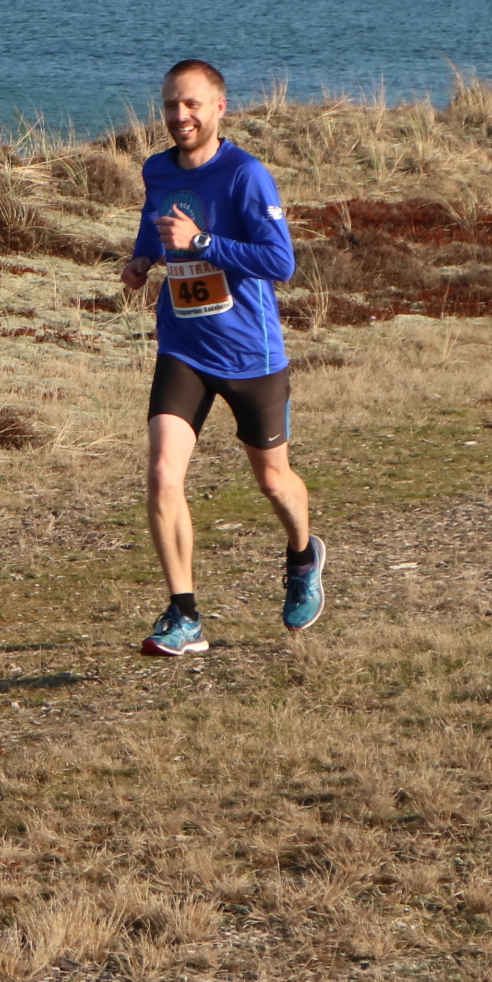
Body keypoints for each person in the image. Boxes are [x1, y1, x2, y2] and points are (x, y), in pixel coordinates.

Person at [119, 59, 322, 655]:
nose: (179, 117)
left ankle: (304, 553)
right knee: (161, 474)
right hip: (183, 346)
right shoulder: (157, 169)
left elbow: (280, 262)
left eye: (191, 105)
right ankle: (184, 616)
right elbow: (156, 225)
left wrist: (203, 243)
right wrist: (143, 259)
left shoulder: (245, 176)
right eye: (169, 106)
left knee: (273, 481)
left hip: (250, 356)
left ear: (219, 109)